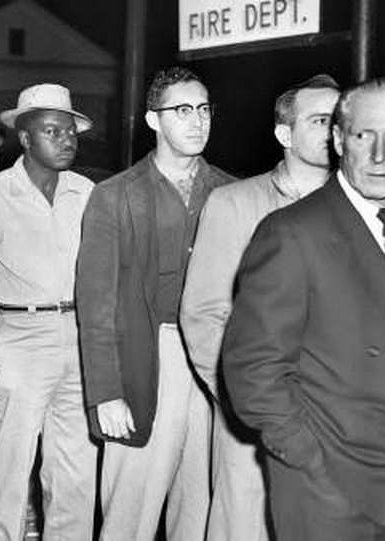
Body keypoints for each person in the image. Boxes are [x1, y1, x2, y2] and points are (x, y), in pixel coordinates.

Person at [222, 78, 385, 540]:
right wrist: (308, 459)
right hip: (331, 490)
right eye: (364, 136)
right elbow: (253, 369)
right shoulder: (292, 232)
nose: (381, 155)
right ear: (339, 140)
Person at [180, 74, 340, 541]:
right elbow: (204, 313)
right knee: (244, 525)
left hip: (342, 416)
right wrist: (241, 401)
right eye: (319, 120)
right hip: (258, 411)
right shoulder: (234, 204)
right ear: (284, 133)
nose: (333, 132)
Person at [77, 66, 234, 541]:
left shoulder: (231, 191)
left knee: (203, 502)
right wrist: (105, 391)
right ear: (153, 120)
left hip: (212, 357)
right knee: (132, 505)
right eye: (182, 110)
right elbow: (96, 303)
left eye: (204, 109)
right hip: (147, 355)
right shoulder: (115, 196)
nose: (197, 121)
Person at [0, 83, 97, 541]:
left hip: (79, 338)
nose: (66, 140)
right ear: (25, 139)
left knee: (75, 472)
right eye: (53, 131)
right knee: (10, 471)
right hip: (19, 337)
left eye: (71, 132)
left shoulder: (88, 193)